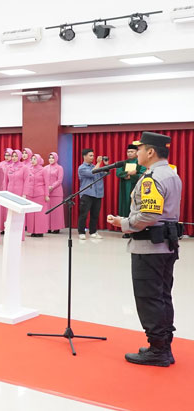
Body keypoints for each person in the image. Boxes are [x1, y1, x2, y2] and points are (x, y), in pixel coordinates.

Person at [106, 132, 181, 367]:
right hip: (165, 245)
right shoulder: (171, 173)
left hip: (149, 247)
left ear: (150, 152)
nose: (135, 153)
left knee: (149, 298)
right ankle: (163, 344)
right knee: (162, 295)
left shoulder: (152, 177)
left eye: (139, 149)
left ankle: (158, 350)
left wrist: (123, 223)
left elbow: (149, 214)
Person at [116, 144, 147, 238]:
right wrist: (130, 173)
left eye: (132, 152)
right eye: (128, 152)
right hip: (124, 189)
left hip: (136, 188)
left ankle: (136, 230)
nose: (129, 153)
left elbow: (142, 174)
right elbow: (118, 173)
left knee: (135, 208)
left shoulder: (140, 163)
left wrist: (130, 176)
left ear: (137, 152)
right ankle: (126, 231)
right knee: (125, 208)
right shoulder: (123, 163)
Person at [77, 148, 107, 240]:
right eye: (90, 155)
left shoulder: (95, 166)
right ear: (84, 156)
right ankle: (81, 232)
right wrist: (98, 163)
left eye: (93, 155)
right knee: (84, 214)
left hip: (97, 193)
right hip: (87, 193)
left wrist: (106, 165)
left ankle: (93, 232)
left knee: (95, 214)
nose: (92, 157)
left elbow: (105, 173)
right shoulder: (82, 168)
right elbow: (92, 173)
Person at [23, 153, 50, 237]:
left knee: (40, 214)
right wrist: (25, 193)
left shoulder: (43, 170)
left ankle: (40, 231)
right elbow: (26, 182)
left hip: (40, 194)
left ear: (38, 160)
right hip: (30, 194)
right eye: (32, 159)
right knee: (31, 214)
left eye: (34, 159)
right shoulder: (28, 169)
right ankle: (32, 231)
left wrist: (46, 194)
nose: (32, 161)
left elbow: (47, 183)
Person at [45, 152, 65, 234]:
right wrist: (46, 187)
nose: (51, 159)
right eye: (50, 158)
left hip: (56, 192)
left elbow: (59, 180)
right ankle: (48, 227)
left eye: (52, 158)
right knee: (48, 210)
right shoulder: (45, 168)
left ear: (56, 158)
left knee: (56, 211)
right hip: (47, 192)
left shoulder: (59, 168)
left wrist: (52, 186)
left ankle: (56, 228)